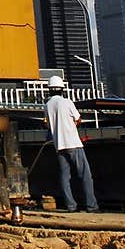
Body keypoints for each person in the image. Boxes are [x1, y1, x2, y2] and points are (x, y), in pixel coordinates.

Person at [44, 75, 100, 213]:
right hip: (73, 143)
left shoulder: (47, 105)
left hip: (59, 145)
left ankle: (71, 206)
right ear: (62, 89)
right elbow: (78, 119)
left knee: (64, 177)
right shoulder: (67, 102)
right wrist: (71, 126)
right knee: (85, 175)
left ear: (49, 90)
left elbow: (47, 124)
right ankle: (91, 206)